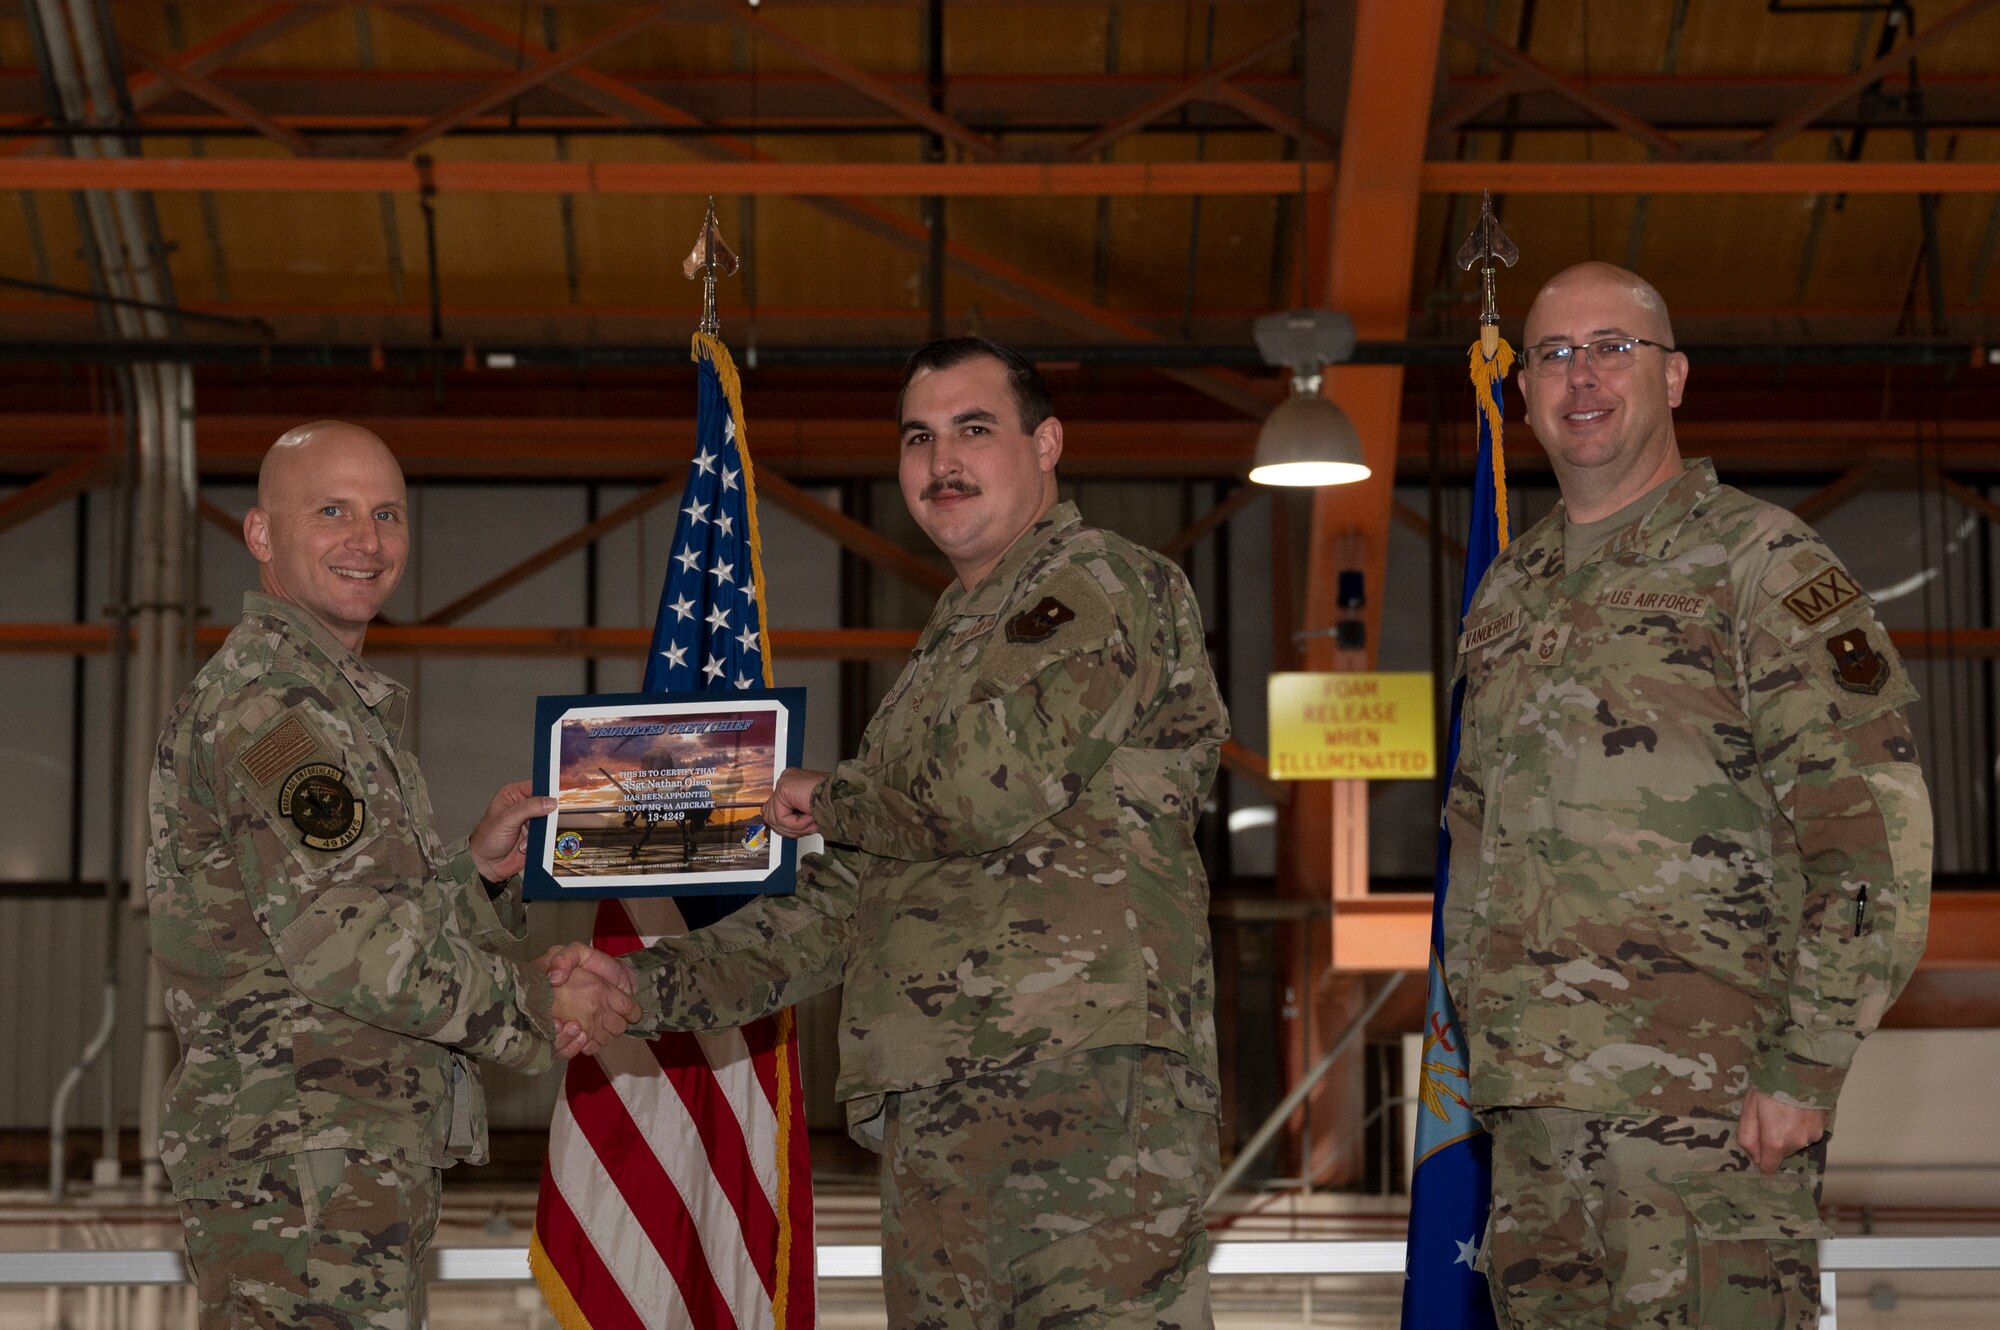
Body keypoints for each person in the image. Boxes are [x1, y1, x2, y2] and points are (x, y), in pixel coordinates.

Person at [548, 337, 1230, 1328]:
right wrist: (642, 984)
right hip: (937, 1104)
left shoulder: (1096, 583)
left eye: (973, 429)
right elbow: (842, 905)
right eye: (918, 437)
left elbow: (989, 783)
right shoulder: (943, 653)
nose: (939, 460)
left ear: (1046, 444)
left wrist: (824, 797)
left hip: (1084, 1089)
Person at [1442, 263, 1933, 1329]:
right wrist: (1487, 1056)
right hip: (1533, 1126)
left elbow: (1872, 838)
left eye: (1611, 347)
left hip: (1706, 1121)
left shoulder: (1758, 564)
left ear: (1671, 378)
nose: (1580, 378)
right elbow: (1474, 837)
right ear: (1520, 391)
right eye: (1554, 354)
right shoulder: (1508, 593)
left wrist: (1802, 1069)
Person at [148, 420, 638, 1329]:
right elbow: (353, 952)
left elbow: (342, 919)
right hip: (304, 1169)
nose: (366, 541)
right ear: (261, 535)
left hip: (335, 1161)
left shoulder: (328, 698)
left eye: (387, 515)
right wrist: (539, 1002)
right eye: (331, 511)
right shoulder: (276, 707)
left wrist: (476, 877)